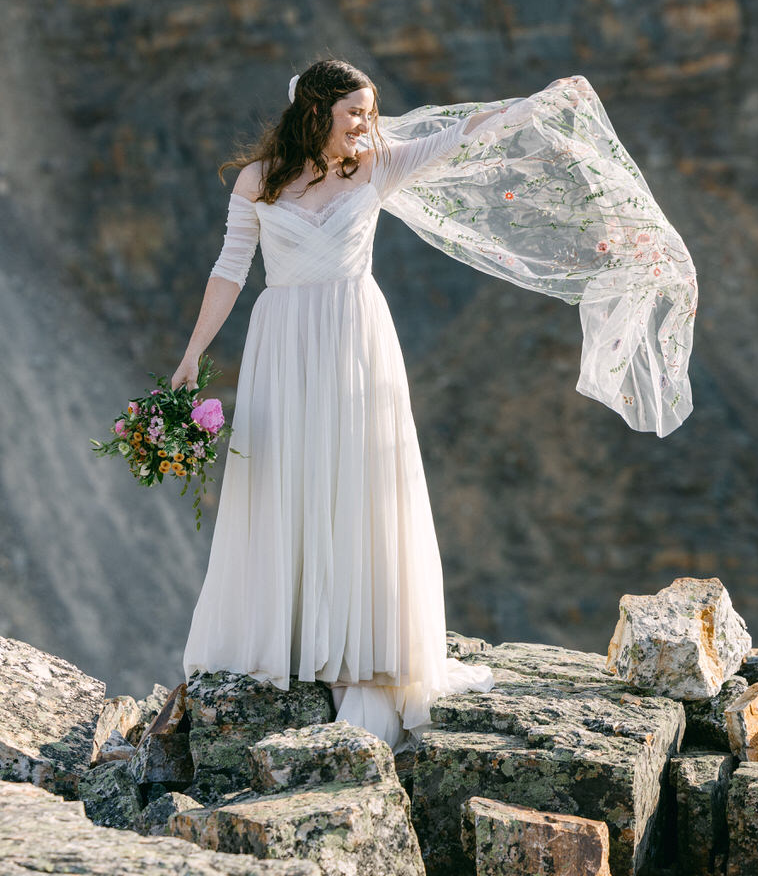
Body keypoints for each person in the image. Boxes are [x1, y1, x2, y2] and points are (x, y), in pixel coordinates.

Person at [174, 58, 697, 750]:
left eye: (370, 111)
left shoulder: (379, 164)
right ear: (316, 112)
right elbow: (229, 269)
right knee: (287, 479)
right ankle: (294, 637)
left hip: (357, 337)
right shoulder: (259, 181)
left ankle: (364, 649)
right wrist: (191, 357)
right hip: (284, 341)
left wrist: (536, 105)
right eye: (355, 111)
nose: (367, 123)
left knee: (360, 485)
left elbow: (464, 137)